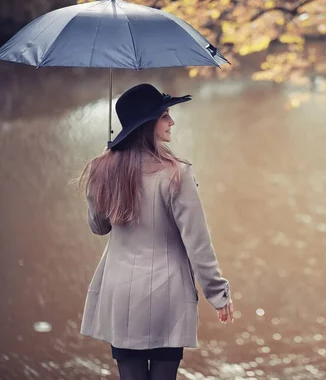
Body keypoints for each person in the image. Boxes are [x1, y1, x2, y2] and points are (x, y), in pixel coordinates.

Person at [76, 83, 234, 380]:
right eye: (165, 115)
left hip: (121, 293)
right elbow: (197, 242)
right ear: (147, 124)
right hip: (167, 295)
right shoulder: (177, 173)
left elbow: (99, 227)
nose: (171, 121)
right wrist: (218, 293)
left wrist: (99, 178)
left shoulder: (103, 169)